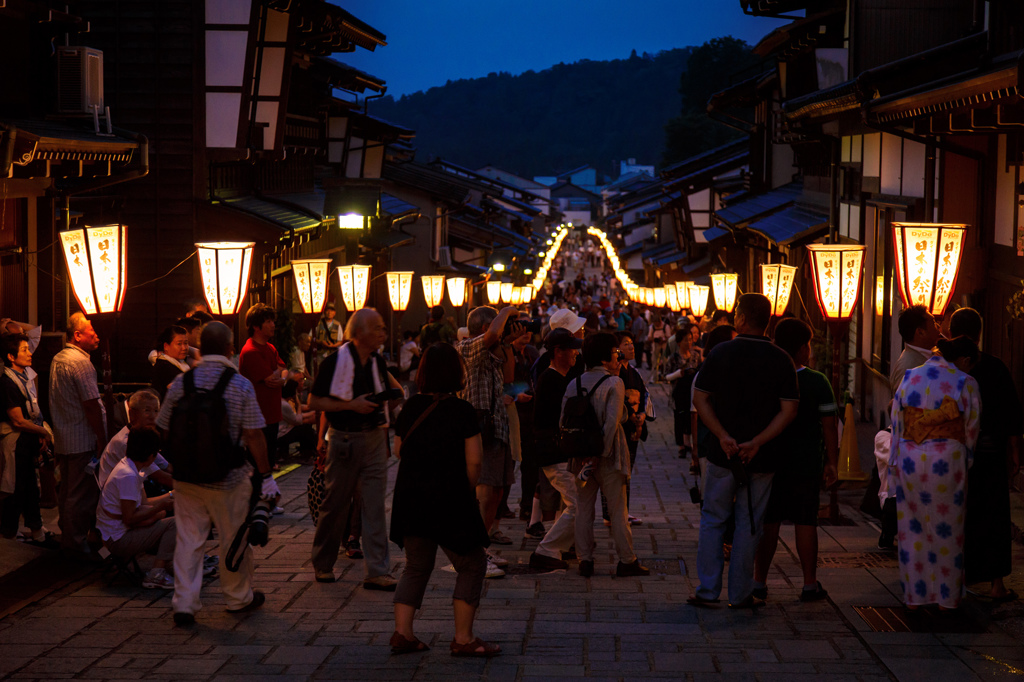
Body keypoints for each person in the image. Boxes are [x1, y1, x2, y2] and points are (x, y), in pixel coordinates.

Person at [157, 321, 278, 626]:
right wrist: (266, 476)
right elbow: (254, 435)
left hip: (186, 477)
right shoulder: (240, 384)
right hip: (229, 477)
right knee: (233, 537)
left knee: (189, 539)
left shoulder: (182, 383)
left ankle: (184, 603)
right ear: (229, 348)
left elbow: (162, 426)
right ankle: (237, 598)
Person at [389, 343, 499, 657]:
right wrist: (467, 490)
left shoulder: (410, 407)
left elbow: (398, 450)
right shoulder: (462, 410)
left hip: (411, 497)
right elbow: (474, 461)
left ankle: (403, 633)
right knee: (472, 563)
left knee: (415, 566)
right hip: (449, 496)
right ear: (455, 372)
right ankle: (464, 638)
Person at [690, 293, 799, 609]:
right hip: (761, 455)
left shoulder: (721, 352)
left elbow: (700, 399)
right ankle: (740, 593)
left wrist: (723, 436)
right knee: (750, 522)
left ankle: (708, 589)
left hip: (723, 453)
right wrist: (758, 441)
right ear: (767, 320)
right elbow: (789, 410)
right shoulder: (781, 359)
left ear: (741, 318)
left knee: (713, 517)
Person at [309, 308, 404, 589]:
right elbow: (315, 402)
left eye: (383, 328)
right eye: (377, 328)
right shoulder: (334, 362)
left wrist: (385, 406)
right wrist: (351, 405)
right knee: (336, 503)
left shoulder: (376, 361)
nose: (382, 334)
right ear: (359, 332)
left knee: (374, 504)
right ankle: (323, 562)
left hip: (375, 437)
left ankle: (377, 570)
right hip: (344, 438)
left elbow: (395, 391)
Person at [889, 336, 981, 610]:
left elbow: (896, 420)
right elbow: (971, 427)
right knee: (949, 528)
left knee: (912, 527)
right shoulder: (965, 382)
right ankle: (947, 598)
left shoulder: (909, 377)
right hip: (948, 457)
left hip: (910, 455)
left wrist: (895, 457)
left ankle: (916, 597)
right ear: (962, 360)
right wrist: (967, 457)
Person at [752, 318, 839, 602]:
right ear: (803, 348)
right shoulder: (817, 381)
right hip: (806, 462)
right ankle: (809, 583)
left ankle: (758, 582)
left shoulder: (765, 375)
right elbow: (829, 425)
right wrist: (831, 462)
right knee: (806, 521)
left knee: (769, 522)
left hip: (769, 459)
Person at [949, 308, 1021, 602]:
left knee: (959, 515)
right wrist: (1015, 452)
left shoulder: (946, 370)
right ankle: (996, 584)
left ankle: (958, 578)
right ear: (979, 334)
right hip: (990, 454)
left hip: (954, 456)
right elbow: (1012, 414)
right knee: (994, 516)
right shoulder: (995, 366)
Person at [570, 332, 648, 578]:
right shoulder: (615, 383)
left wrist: (585, 456)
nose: (618, 356)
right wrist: (599, 454)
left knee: (583, 509)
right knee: (617, 510)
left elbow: (565, 419)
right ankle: (627, 559)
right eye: (615, 352)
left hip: (581, 456)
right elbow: (612, 423)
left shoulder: (576, 382)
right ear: (605, 358)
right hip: (609, 456)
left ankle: (585, 560)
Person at [458, 305, 527, 578]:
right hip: (477, 433)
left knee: (496, 492)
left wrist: (508, 344)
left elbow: (509, 378)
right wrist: (508, 311)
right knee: (485, 493)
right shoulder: (467, 347)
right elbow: (490, 336)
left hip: (497, 429)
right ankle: (473, 552)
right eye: (500, 326)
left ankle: (482, 545)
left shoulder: (493, 350)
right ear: (486, 328)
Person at [49, 313, 108, 558]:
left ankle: (69, 537)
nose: (96, 335)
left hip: (65, 435)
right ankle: (75, 543)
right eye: (91, 331)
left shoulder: (58, 358)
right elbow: (91, 404)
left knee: (67, 492)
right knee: (79, 494)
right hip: (82, 437)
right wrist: (102, 438)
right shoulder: (81, 363)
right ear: (77, 335)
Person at [527, 328, 584, 572]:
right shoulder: (551, 379)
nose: (575, 353)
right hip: (554, 451)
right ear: (557, 351)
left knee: (569, 501)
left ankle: (560, 547)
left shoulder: (562, 378)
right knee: (576, 504)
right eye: (571, 349)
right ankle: (545, 549)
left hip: (560, 450)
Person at [95, 426, 176, 589]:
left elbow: (144, 504)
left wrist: (172, 496)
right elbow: (129, 518)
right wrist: (160, 507)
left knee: (167, 518)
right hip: (117, 539)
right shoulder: (128, 475)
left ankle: (173, 565)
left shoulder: (131, 468)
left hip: (118, 531)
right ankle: (157, 573)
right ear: (152, 456)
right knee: (175, 524)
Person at [0, 333, 54, 546]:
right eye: (24, 350)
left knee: (30, 486)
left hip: (27, 441)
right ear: (11, 357)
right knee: (16, 488)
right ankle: (9, 536)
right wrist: (43, 432)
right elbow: (18, 421)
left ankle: (37, 530)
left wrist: (40, 431)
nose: (29, 353)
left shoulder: (25, 378)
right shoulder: (7, 383)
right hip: (16, 442)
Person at [238, 303, 287, 473]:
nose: (273, 325)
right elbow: (272, 378)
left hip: (272, 414)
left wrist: (282, 378)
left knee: (268, 460)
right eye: (268, 321)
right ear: (255, 326)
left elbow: (284, 370)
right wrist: (281, 376)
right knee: (258, 466)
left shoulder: (270, 347)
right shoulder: (251, 351)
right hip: (258, 416)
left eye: (272, 321)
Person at [96, 389, 173, 491]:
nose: (153, 417)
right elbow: (159, 477)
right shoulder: (126, 442)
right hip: (118, 497)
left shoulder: (142, 436)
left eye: (156, 411)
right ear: (132, 414)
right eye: (147, 410)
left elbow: (165, 465)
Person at [890, 304, 940, 394]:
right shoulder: (908, 368)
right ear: (920, 332)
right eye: (933, 323)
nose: (938, 328)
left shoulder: (930, 355)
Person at [277, 381, 317, 461]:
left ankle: (308, 452)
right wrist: (298, 404)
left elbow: (294, 416)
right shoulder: (284, 404)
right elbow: (297, 421)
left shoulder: (282, 402)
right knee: (304, 428)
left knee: (306, 427)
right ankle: (308, 453)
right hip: (280, 434)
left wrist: (310, 413)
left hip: (281, 431)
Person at [150, 325, 190, 400]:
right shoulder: (164, 367)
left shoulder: (182, 363)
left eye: (186, 343)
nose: (184, 348)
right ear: (166, 346)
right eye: (179, 344)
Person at [314, 303, 342, 372]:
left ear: (334, 313)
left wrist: (333, 345)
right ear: (324, 312)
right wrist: (321, 342)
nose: (329, 312)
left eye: (331, 311)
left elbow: (341, 340)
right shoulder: (318, 323)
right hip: (320, 355)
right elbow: (311, 338)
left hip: (332, 354)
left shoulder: (337, 324)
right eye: (327, 310)